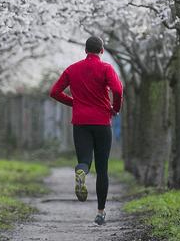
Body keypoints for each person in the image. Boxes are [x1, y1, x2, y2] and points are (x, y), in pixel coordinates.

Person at [49, 36, 123, 226]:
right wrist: (115, 108)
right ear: (102, 51)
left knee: (84, 160)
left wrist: (74, 103)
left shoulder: (72, 69)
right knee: (102, 169)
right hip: (101, 122)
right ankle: (100, 213)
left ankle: (81, 171)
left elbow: (55, 92)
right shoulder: (106, 68)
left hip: (81, 122)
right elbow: (118, 90)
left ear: (85, 50)